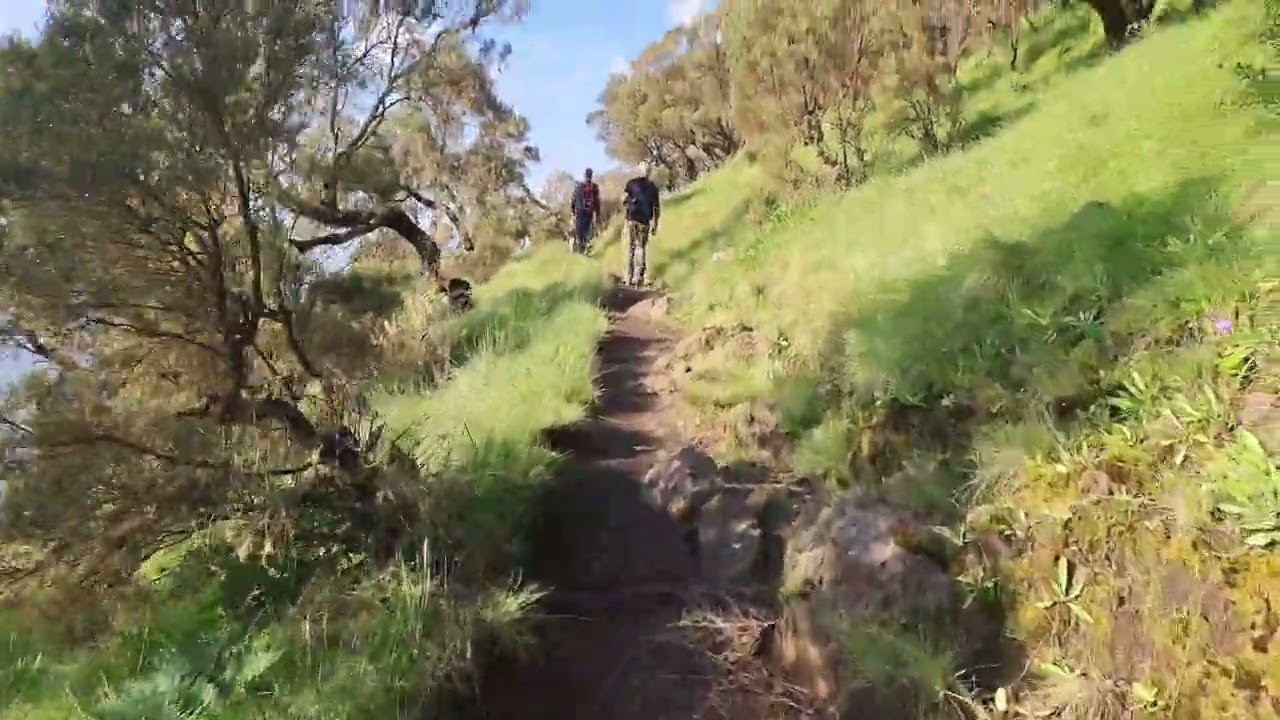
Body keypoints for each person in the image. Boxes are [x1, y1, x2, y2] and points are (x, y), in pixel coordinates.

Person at [621, 162, 660, 287]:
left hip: (631, 219)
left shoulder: (631, 183)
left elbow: (623, 199)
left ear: (639, 170)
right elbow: (656, 208)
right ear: (649, 172)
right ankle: (639, 278)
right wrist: (655, 224)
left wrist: (628, 204)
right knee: (640, 248)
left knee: (629, 248)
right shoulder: (653, 187)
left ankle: (628, 277)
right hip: (645, 221)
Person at [570, 168, 602, 254]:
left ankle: (581, 249)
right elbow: (597, 201)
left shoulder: (579, 186)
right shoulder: (594, 187)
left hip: (580, 210)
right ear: (591, 175)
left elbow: (573, 199)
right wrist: (598, 213)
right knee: (586, 230)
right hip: (589, 211)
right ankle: (583, 248)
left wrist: (573, 210)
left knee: (580, 231)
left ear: (585, 175)